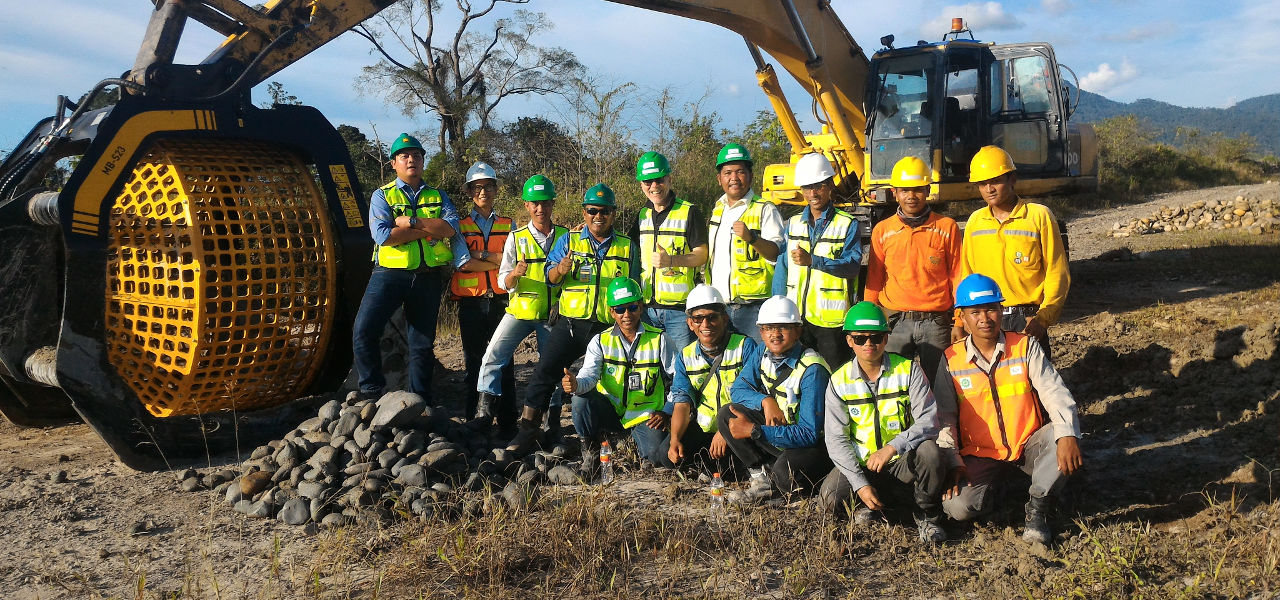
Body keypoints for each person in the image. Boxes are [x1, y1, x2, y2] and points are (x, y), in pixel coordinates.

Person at [934, 274, 1083, 545]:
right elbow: (945, 418)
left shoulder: (1024, 346)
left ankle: (1037, 511)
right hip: (981, 455)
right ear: (962, 317)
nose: (984, 318)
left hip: (1028, 445)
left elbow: (1055, 392)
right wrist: (952, 461)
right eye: (975, 312)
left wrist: (1067, 434)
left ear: (1002, 310)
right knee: (957, 508)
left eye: (991, 308)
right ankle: (1006, 490)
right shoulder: (950, 360)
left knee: (1062, 435)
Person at [506, 183, 639, 455]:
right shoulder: (570, 241)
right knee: (544, 373)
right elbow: (549, 278)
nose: (597, 216)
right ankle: (528, 432)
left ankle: (612, 431)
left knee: (613, 379)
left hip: (607, 329)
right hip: (571, 325)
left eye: (604, 211)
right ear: (584, 212)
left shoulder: (627, 247)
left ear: (613, 213)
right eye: (592, 210)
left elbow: (636, 289)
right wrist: (560, 269)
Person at [352, 133, 468, 404]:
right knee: (364, 330)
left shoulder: (438, 195)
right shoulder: (382, 196)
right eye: (404, 156)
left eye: (416, 155)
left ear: (423, 161)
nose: (411, 159)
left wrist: (411, 222)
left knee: (422, 345)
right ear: (394, 163)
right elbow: (383, 236)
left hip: (427, 276)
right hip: (389, 273)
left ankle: (420, 402)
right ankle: (371, 393)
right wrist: (429, 229)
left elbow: (450, 229)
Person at [819, 302, 948, 544]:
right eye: (860, 338)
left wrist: (892, 448)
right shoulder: (838, 381)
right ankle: (874, 506)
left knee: (930, 452)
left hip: (901, 462)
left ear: (886, 338)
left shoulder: (908, 370)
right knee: (828, 499)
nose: (869, 344)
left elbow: (929, 420)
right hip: (862, 464)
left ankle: (927, 515)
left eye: (876, 337)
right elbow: (836, 439)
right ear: (849, 341)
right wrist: (859, 484)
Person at [473, 175, 568, 438]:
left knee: (553, 366)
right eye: (535, 204)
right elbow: (503, 281)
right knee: (492, 355)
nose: (541, 209)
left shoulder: (566, 236)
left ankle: (553, 419)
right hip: (521, 311)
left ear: (552, 204)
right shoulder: (516, 238)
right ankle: (484, 412)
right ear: (526, 205)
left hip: (552, 316)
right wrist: (515, 273)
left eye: (546, 203)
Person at [718, 295, 832, 504]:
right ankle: (761, 479)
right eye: (768, 328)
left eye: (783, 328)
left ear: (798, 330)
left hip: (812, 446)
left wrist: (754, 430)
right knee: (728, 413)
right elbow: (738, 389)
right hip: (781, 434)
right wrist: (765, 401)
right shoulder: (762, 351)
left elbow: (809, 434)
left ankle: (787, 485)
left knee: (785, 473)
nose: (775, 335)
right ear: (761, 331)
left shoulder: (812, 370)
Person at [959, 145, 1070, 354]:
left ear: (1012, 179)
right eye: (982, 183)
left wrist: (1043, 319)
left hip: (1028, 321)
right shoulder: (975, 223)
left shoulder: (1038, 217)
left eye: (996, 181)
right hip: (988, 320)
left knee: (1034, 383)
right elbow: (967, 276)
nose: (989, 189)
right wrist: (961, 320)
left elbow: (1057, 273)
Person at [562, 278, 676, 479]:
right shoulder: (600, 341)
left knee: (657, 460)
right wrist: (576, 384)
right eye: (620, 309)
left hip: (645, 415)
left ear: (641, 306)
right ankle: (590, 451)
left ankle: (631, 439)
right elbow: (589, 375)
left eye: (632, 307)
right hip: (611, 410)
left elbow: (679, 379)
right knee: (580, 399)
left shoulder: (660, 339)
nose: (627, 315)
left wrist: (667, 411)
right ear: (611, 311)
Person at [864, 156, 962, 382]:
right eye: (905, 190)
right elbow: (875, 279)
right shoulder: (883, 230)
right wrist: (870, 321)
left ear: (927, 190)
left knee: (941, 385)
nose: (911, 196)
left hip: (936, 324)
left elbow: (958, 276)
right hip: (896, 323)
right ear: (894, 192)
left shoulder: (947, 228)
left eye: (917, 189)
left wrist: (959, 320)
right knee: (894, 384)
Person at [655, 284, 758, 473]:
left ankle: (721, 467)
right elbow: (682, 403)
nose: (705, 324)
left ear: (725, 319)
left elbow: (753, 397)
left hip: (737, 426)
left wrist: (725, 431)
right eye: (698, 318)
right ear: (690, 323)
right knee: (666, 455)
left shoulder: (745, 346)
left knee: (731, 464)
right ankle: (711, 466)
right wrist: (675, 439)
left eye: (712, 317)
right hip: (704, 428)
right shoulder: (685, 356)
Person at [773, 153, 861, 367]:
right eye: (807, 187)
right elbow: (782, 269)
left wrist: (815, 260)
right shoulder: (793, 224)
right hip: (796, 319)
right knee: (798, 375)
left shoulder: (848, 224)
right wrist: (778, 308)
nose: (812, 193)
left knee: (834, 379)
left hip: (831, 323)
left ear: (830, 185)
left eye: (818, 186)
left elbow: (852, 267)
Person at [451, 161, 513, 422]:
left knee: (504, 362)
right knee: (473, 362)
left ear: (496, 189)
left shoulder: (510, 225)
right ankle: (474, 420)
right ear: (469, 192)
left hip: (501, 301)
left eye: (488, 186)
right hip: (472, 304)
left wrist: (481, 253)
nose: (483, 192)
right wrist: (498, 259)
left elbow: (512, 262)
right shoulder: (459, 225)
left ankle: (507, 421)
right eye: (477, 187)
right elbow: (462, 262)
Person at [705, 143, 785, 343]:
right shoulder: (717, 210)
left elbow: (776, 252)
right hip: (720, 309)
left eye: (740, 171)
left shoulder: (765, 209)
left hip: (754, 309)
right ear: (719, 178)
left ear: (750, 175)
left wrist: (752, 238)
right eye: (728, 172)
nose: (734, 178)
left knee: (758, 365)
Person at [631, 151, 708, 351]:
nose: (654, 186)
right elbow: (625, 247)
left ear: (669, 179)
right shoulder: (641, 215)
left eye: (659, 180)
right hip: (647, 310)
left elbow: (702, 254)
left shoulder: (689, 212)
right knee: (651, 369)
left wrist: (671, 260)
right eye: (648, 182)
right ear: (641, 185)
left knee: (682, 367)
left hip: (679, 313)